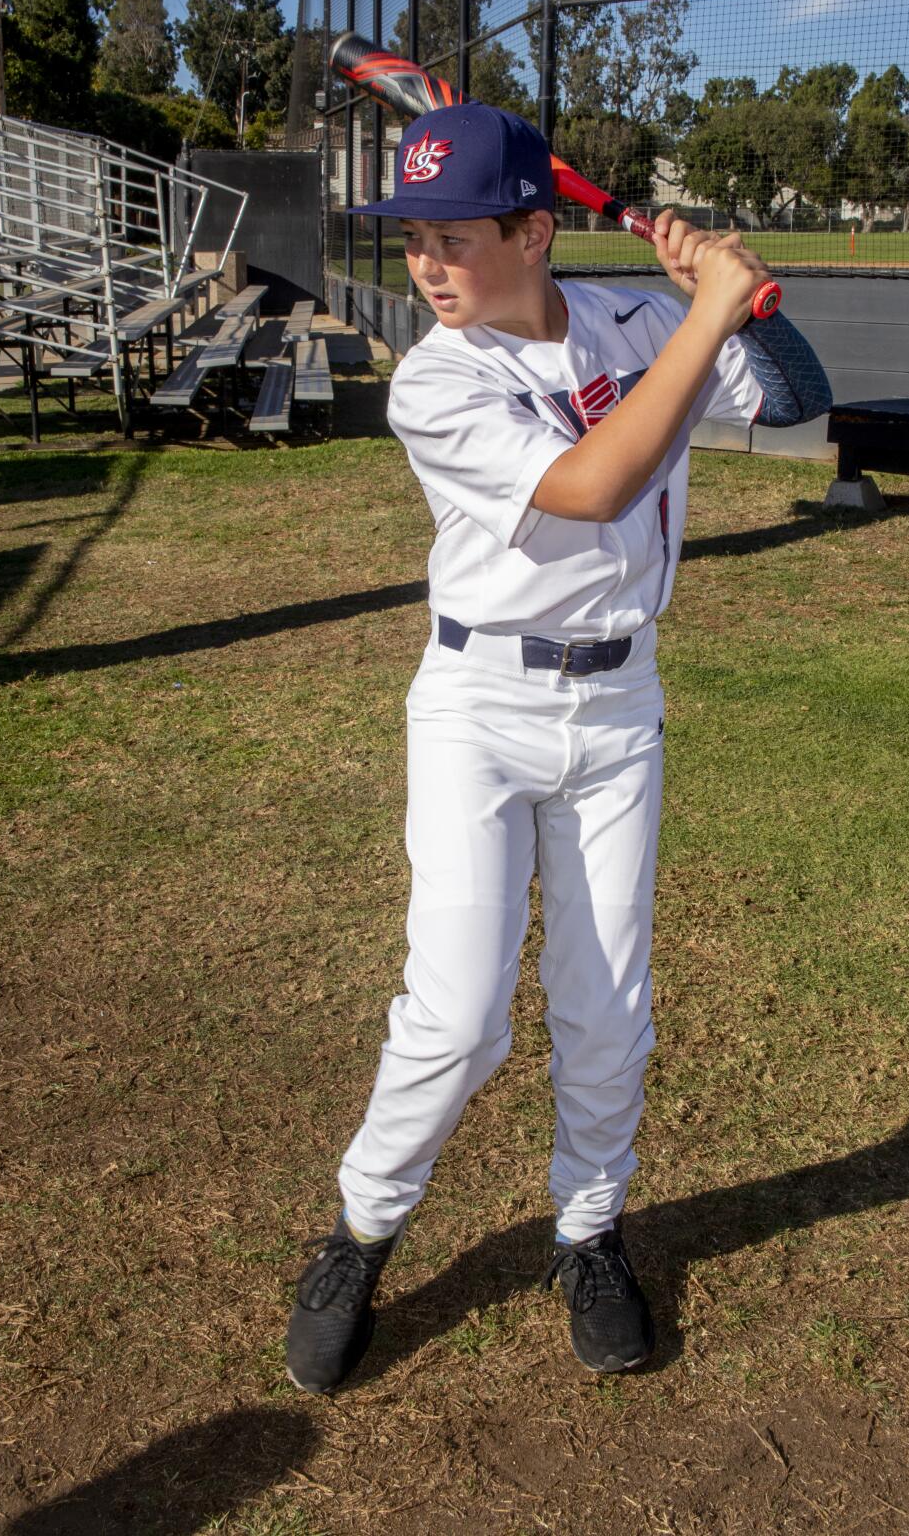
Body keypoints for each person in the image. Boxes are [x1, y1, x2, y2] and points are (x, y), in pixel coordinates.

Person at [285, 102, 831, 1393]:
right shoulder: (438, 373)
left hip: (620, 705)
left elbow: (799, 400)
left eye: (454, 238)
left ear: (536, 229)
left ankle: (588, 1233)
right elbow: (594, 486)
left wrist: (732, 294)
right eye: (414, 238)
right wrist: (706, 317)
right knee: (458, 1016)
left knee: (607, 1006)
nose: (428, 266)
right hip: (480, 704)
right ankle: (364, 1230)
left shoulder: (638, 321)